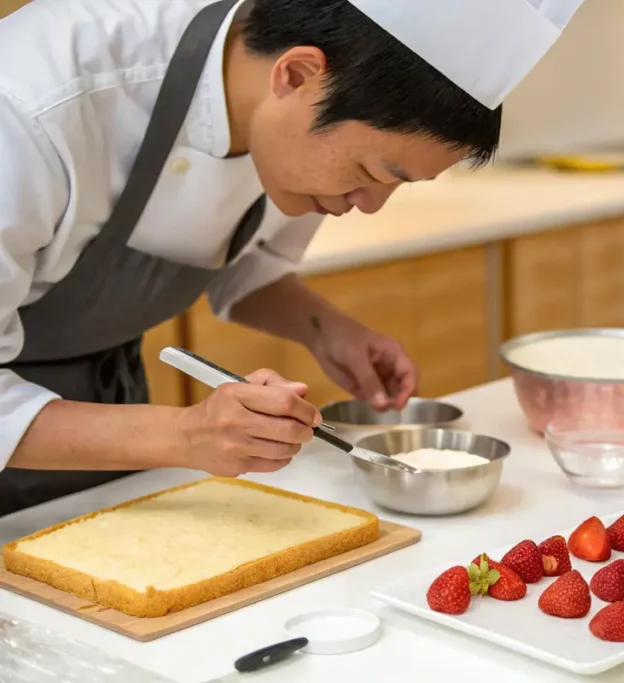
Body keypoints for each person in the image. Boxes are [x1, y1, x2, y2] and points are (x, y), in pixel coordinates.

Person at [0, 0, 585, 516]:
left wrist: (329, 330)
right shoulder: (33, 102)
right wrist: (185, 432)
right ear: (298, 74)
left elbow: (238, 262)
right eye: (373, 173)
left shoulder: (290, 126)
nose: (371, 205)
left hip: (104, 436)